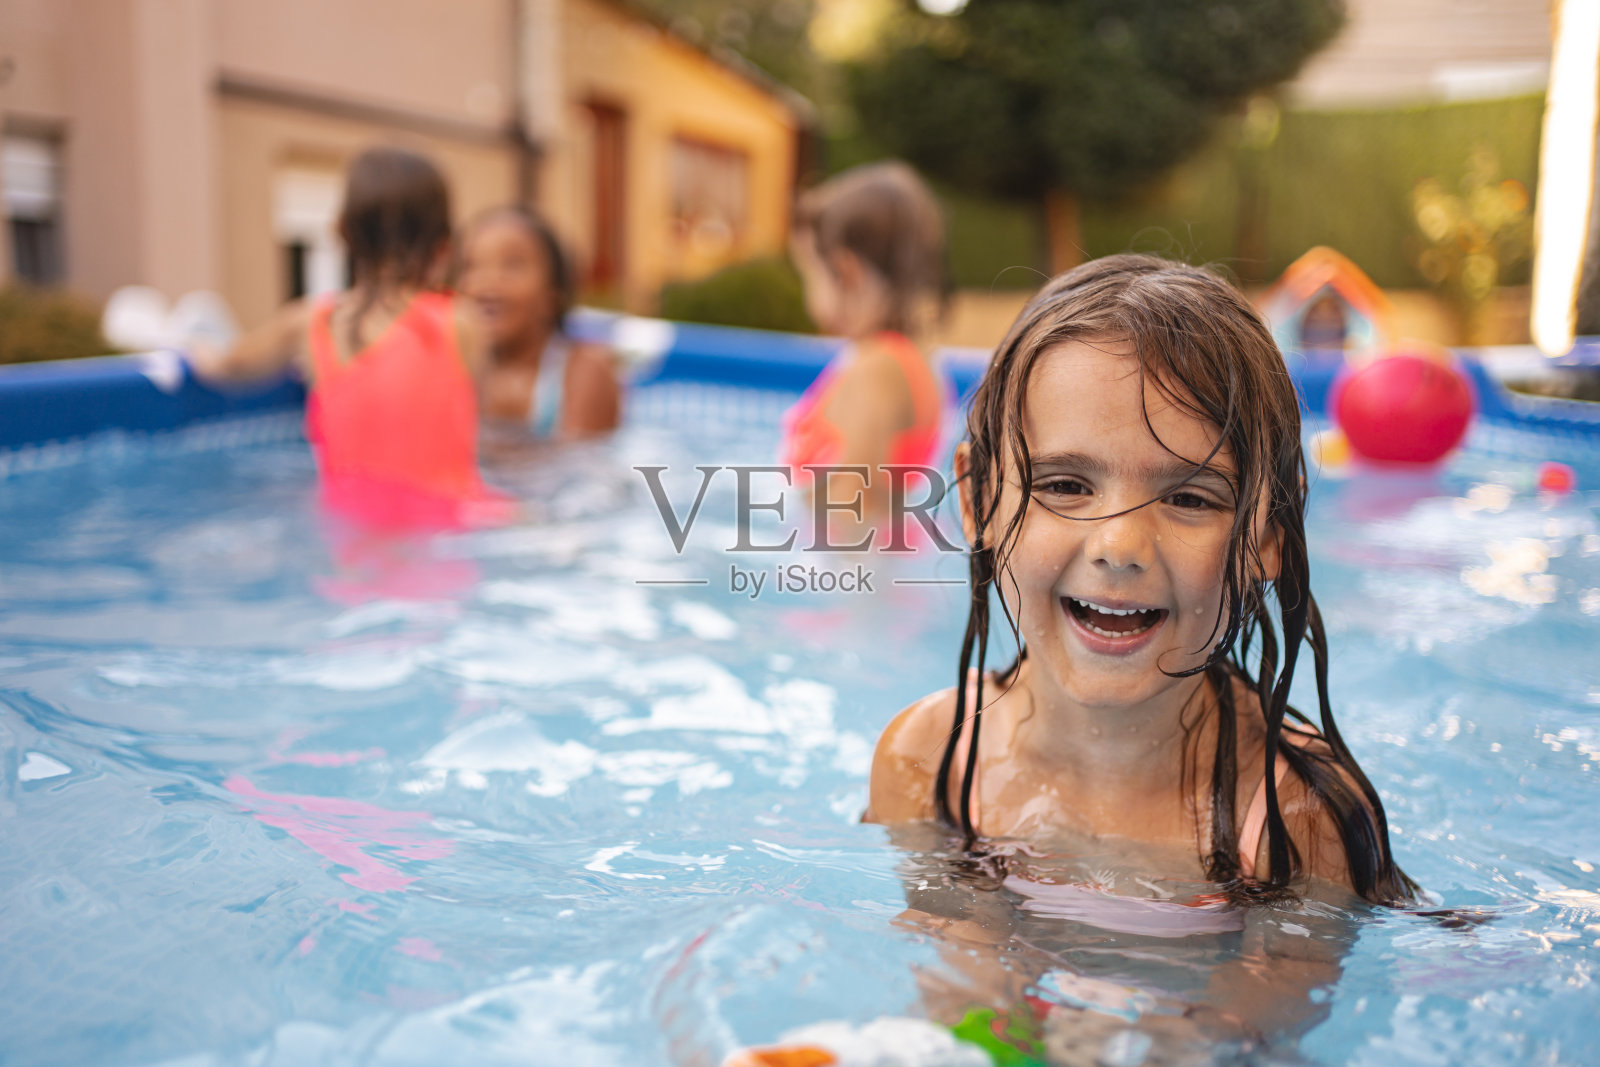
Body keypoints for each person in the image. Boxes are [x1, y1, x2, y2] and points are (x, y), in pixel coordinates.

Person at [867, 254, 1417, 909]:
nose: (1120, 546)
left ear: (1269, 533)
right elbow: (958, 990)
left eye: (1189, 497)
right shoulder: (930, 763)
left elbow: (1255, 1014)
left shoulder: (1289, 820)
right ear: (981, 497)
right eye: (1065, 486)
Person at [193, 146, 508, 529]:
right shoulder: (463, 323)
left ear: (339, 231)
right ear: (444, 246)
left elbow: (228, 367)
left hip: (352, 539)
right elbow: (482, 415)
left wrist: (198, 346)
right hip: (450, 530)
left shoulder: (308, 323)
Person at [780, 161, 950, 521]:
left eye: (809, 274)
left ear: (846, 271)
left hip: (848, 572)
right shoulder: (912, 358)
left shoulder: (878, 368)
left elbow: (849, 512)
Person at [457, 206, 620, 438]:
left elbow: (578, 466)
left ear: (552, 296)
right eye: (472, 266)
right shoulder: (463, 369)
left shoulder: (583, 370)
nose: (487, 281)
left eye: (512, 265)